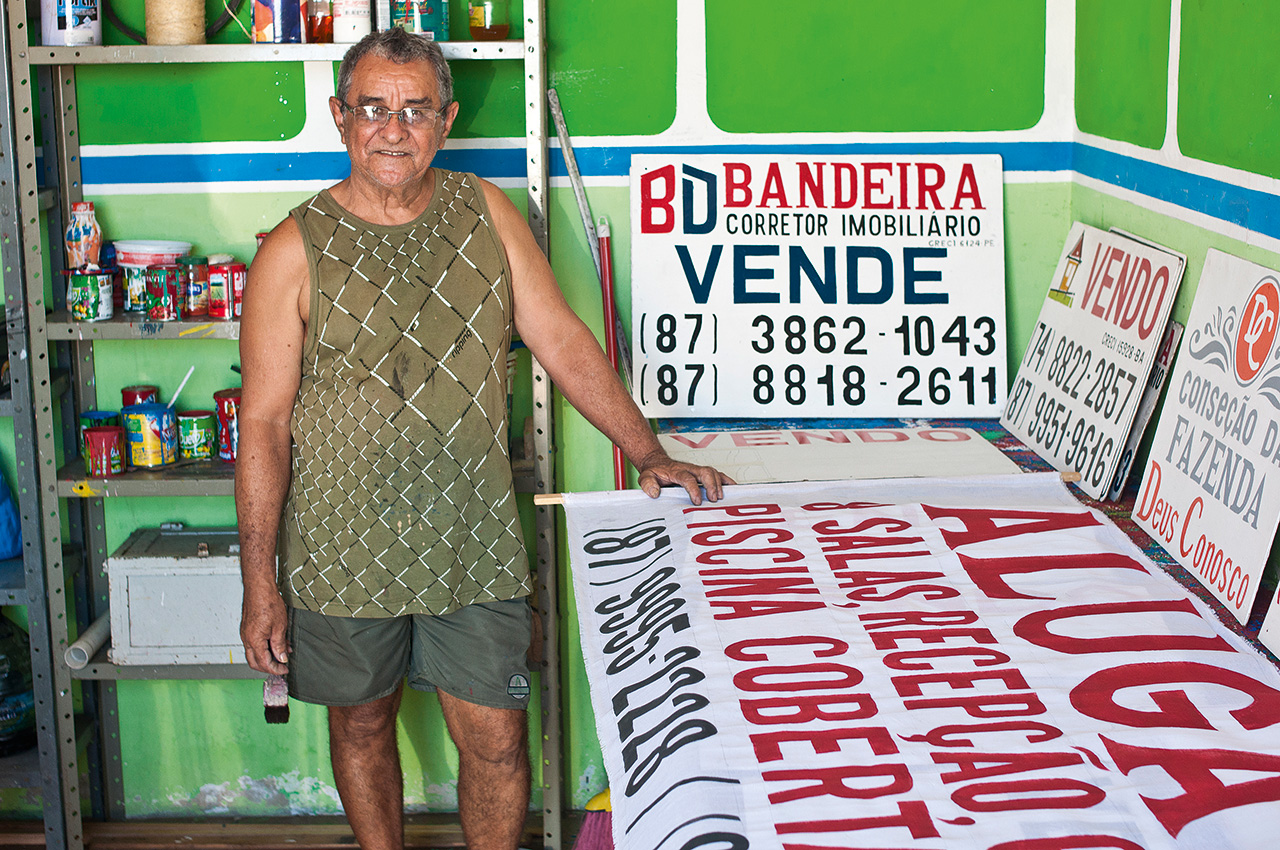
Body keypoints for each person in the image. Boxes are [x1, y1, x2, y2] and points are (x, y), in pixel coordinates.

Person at [235, 28, 731, 850]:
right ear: (339, 117)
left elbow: (563, 341)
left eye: (415, 110)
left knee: (498, 741)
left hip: (472, 533)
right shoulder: (292, 250)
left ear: (446, 118)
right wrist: (260, 582)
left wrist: (650, 452)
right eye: (373, 109)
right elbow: (264, 424)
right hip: (338, 542)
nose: (393, 129)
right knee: (362, 727)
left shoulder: (483, 212)